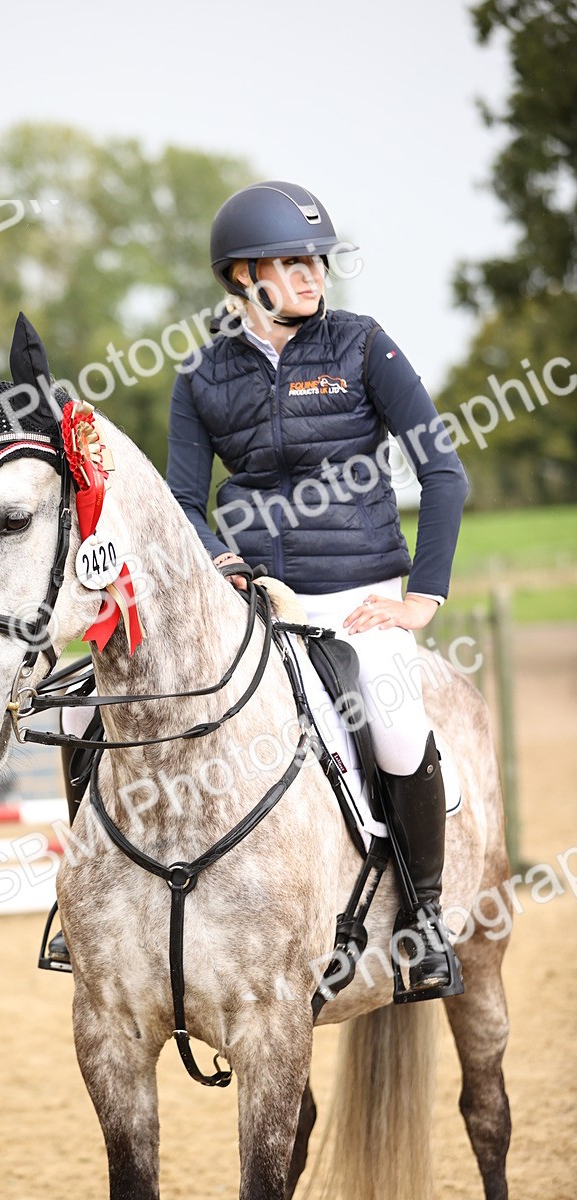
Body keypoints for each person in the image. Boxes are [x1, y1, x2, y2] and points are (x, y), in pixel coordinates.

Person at [165, 180, 469, 1001]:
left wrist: (421, 599)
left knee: (398, 726)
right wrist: (220, 563)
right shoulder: (200, 375)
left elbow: (443, 472)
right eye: (292, 261)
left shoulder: (363, 345)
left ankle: (425, 922)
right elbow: (182, 504)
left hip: (359, 596)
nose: (313, 275)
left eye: (317, 261)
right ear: (242, 276)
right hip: (257, 600)